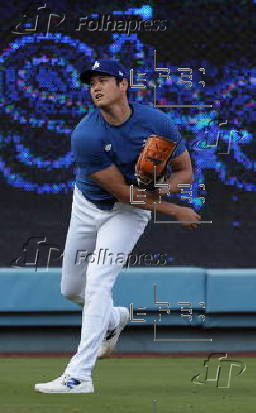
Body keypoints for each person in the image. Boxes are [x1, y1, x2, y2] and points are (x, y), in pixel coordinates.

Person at [34, 59, 201, 394]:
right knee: (70, 289)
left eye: (103, 80)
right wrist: (174, 210)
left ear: (123, 85)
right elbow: (123, 192)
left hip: (127, 215)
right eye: (91, 82)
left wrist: (162, 187)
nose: (95, 87)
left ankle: (78, 377)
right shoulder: (86, 135)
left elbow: (185, 173)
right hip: (89, 205)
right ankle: (113, 319)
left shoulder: (156, 123)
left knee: (97, 282)